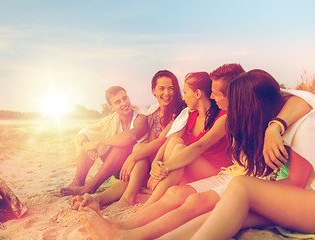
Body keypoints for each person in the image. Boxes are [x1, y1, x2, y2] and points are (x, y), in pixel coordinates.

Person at [77, 65, 314, 240]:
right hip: (271, 190)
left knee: (237, 190)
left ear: (247, 106)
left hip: (295, 198)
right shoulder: (266, 122)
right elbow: (169, 140)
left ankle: (128, 233)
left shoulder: (298, 126)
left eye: (220, 95)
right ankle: (127, 234)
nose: (213, 96)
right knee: (210, 207)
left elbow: (295, 181)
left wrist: (275, 127)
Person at [183, 69, 315, 240]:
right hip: (296, 201)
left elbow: (296, 182)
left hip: (306, 200)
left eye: (236, 106)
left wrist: (254, 192)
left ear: (251, 106)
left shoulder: (302, 126)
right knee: (223, 215)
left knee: (240, 186)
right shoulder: (278, 124)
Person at [72, 70, 185, 209]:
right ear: (154, 90)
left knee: (136, 151)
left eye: (171, 88)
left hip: (166, 161)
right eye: (162, 88)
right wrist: (88, 144)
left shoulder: (173, 113)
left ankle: (126, 198)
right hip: (148, 162)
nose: (166, 93)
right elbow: (86, 131)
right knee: (130, 169)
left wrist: (133, 157)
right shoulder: (153, 113)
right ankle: (96, 198)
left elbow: (159, 142)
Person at [139, 71, 232, 209]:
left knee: (179, 148)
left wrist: (165, 167)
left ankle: (151, 203)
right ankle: (155, 198)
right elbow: (170, 140)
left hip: (213, 172)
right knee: (175, 143)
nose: (184, 98)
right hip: (190, 168)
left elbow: (198, 147)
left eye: (186, 92)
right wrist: (155, 165)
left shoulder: (223, 117)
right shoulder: (190, 115)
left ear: (198, 94)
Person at [59, 86, 148, 196]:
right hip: (116, 169)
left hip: (134, 168)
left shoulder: (141, 117)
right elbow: (84, 132)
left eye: (125, 98)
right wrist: (86, 144)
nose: (124, 103)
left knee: (121, 146)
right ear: (111, 107)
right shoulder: (111, 120)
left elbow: (132, 136)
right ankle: (78, 181)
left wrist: (99, 143)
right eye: (118, 102)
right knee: (88, 142)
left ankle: (90, 188)